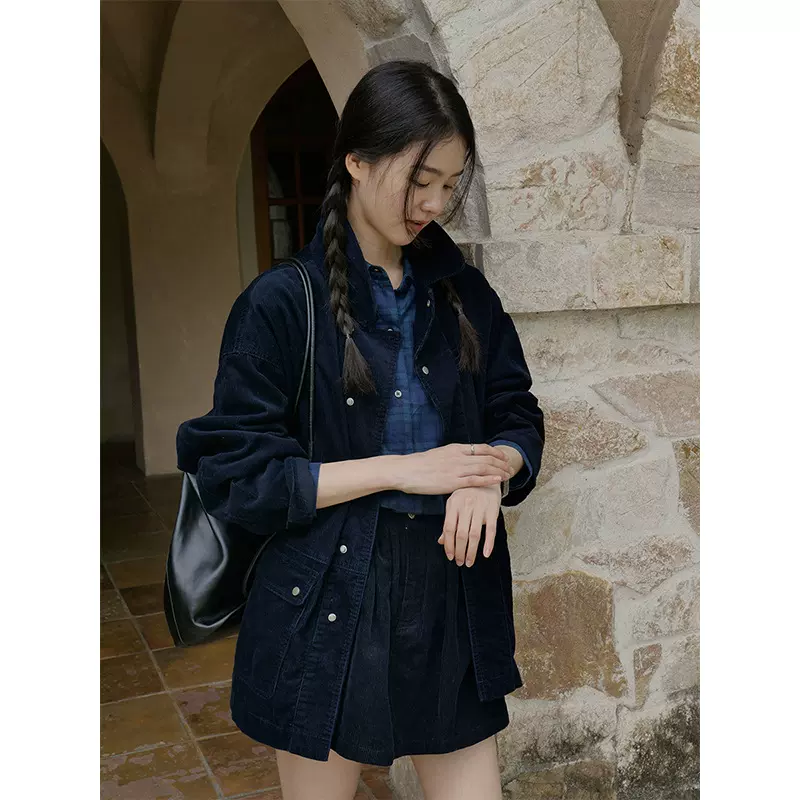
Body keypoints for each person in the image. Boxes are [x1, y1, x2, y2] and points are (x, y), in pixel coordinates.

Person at [176, 60, 545, 800]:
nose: (435, 203)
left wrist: (489, 473)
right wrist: (405, 469)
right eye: (420, 180)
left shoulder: (464, 293)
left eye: (451, 183)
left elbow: (517, 411)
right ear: (357, 160)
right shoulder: (282, 304)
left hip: (450, 592)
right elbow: (244, 478)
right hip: (324, 598)